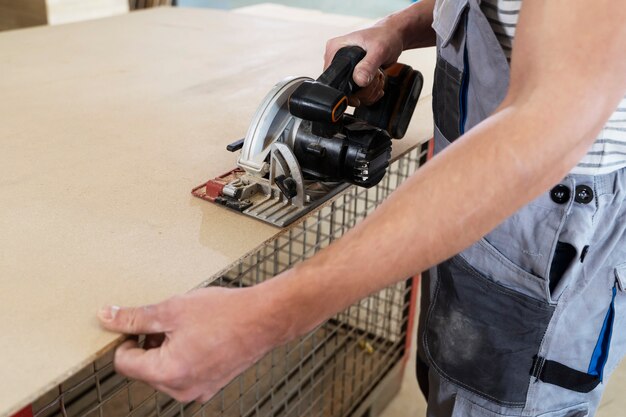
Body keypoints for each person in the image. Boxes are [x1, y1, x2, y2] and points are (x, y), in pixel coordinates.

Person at [97, 0, 626, 415]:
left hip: (548, 215)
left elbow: (548, 124)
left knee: (498, 403)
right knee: (449, 380)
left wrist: (267, 317)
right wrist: (396, 28)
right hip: (472, 182)